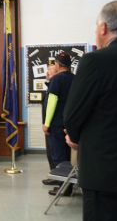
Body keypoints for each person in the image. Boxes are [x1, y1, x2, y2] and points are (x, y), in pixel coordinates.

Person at [63, 1, 117, 221]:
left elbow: (73, 115)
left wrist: (73, 136)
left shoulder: (94, 62)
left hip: (105, 176)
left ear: (103, 28)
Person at [42, 51, 74, 196]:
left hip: (56, 124)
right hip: (70, 124)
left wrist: (46, 123)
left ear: (58, 64)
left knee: (58, 157)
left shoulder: (57, 80)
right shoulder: (75, 78)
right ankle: (69, 185)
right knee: (67, 157)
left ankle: (64, 188)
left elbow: (52, 102)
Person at [41, 64, 59, 186]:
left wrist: (47, 124)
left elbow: (52, 105)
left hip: (53, 124)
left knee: (55, 153)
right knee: (50, 152)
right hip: (49, 124)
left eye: (50, 71)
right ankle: (54, 174)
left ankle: (58, 177)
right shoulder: (51, 84)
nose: (47, 73)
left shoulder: (56, 84)